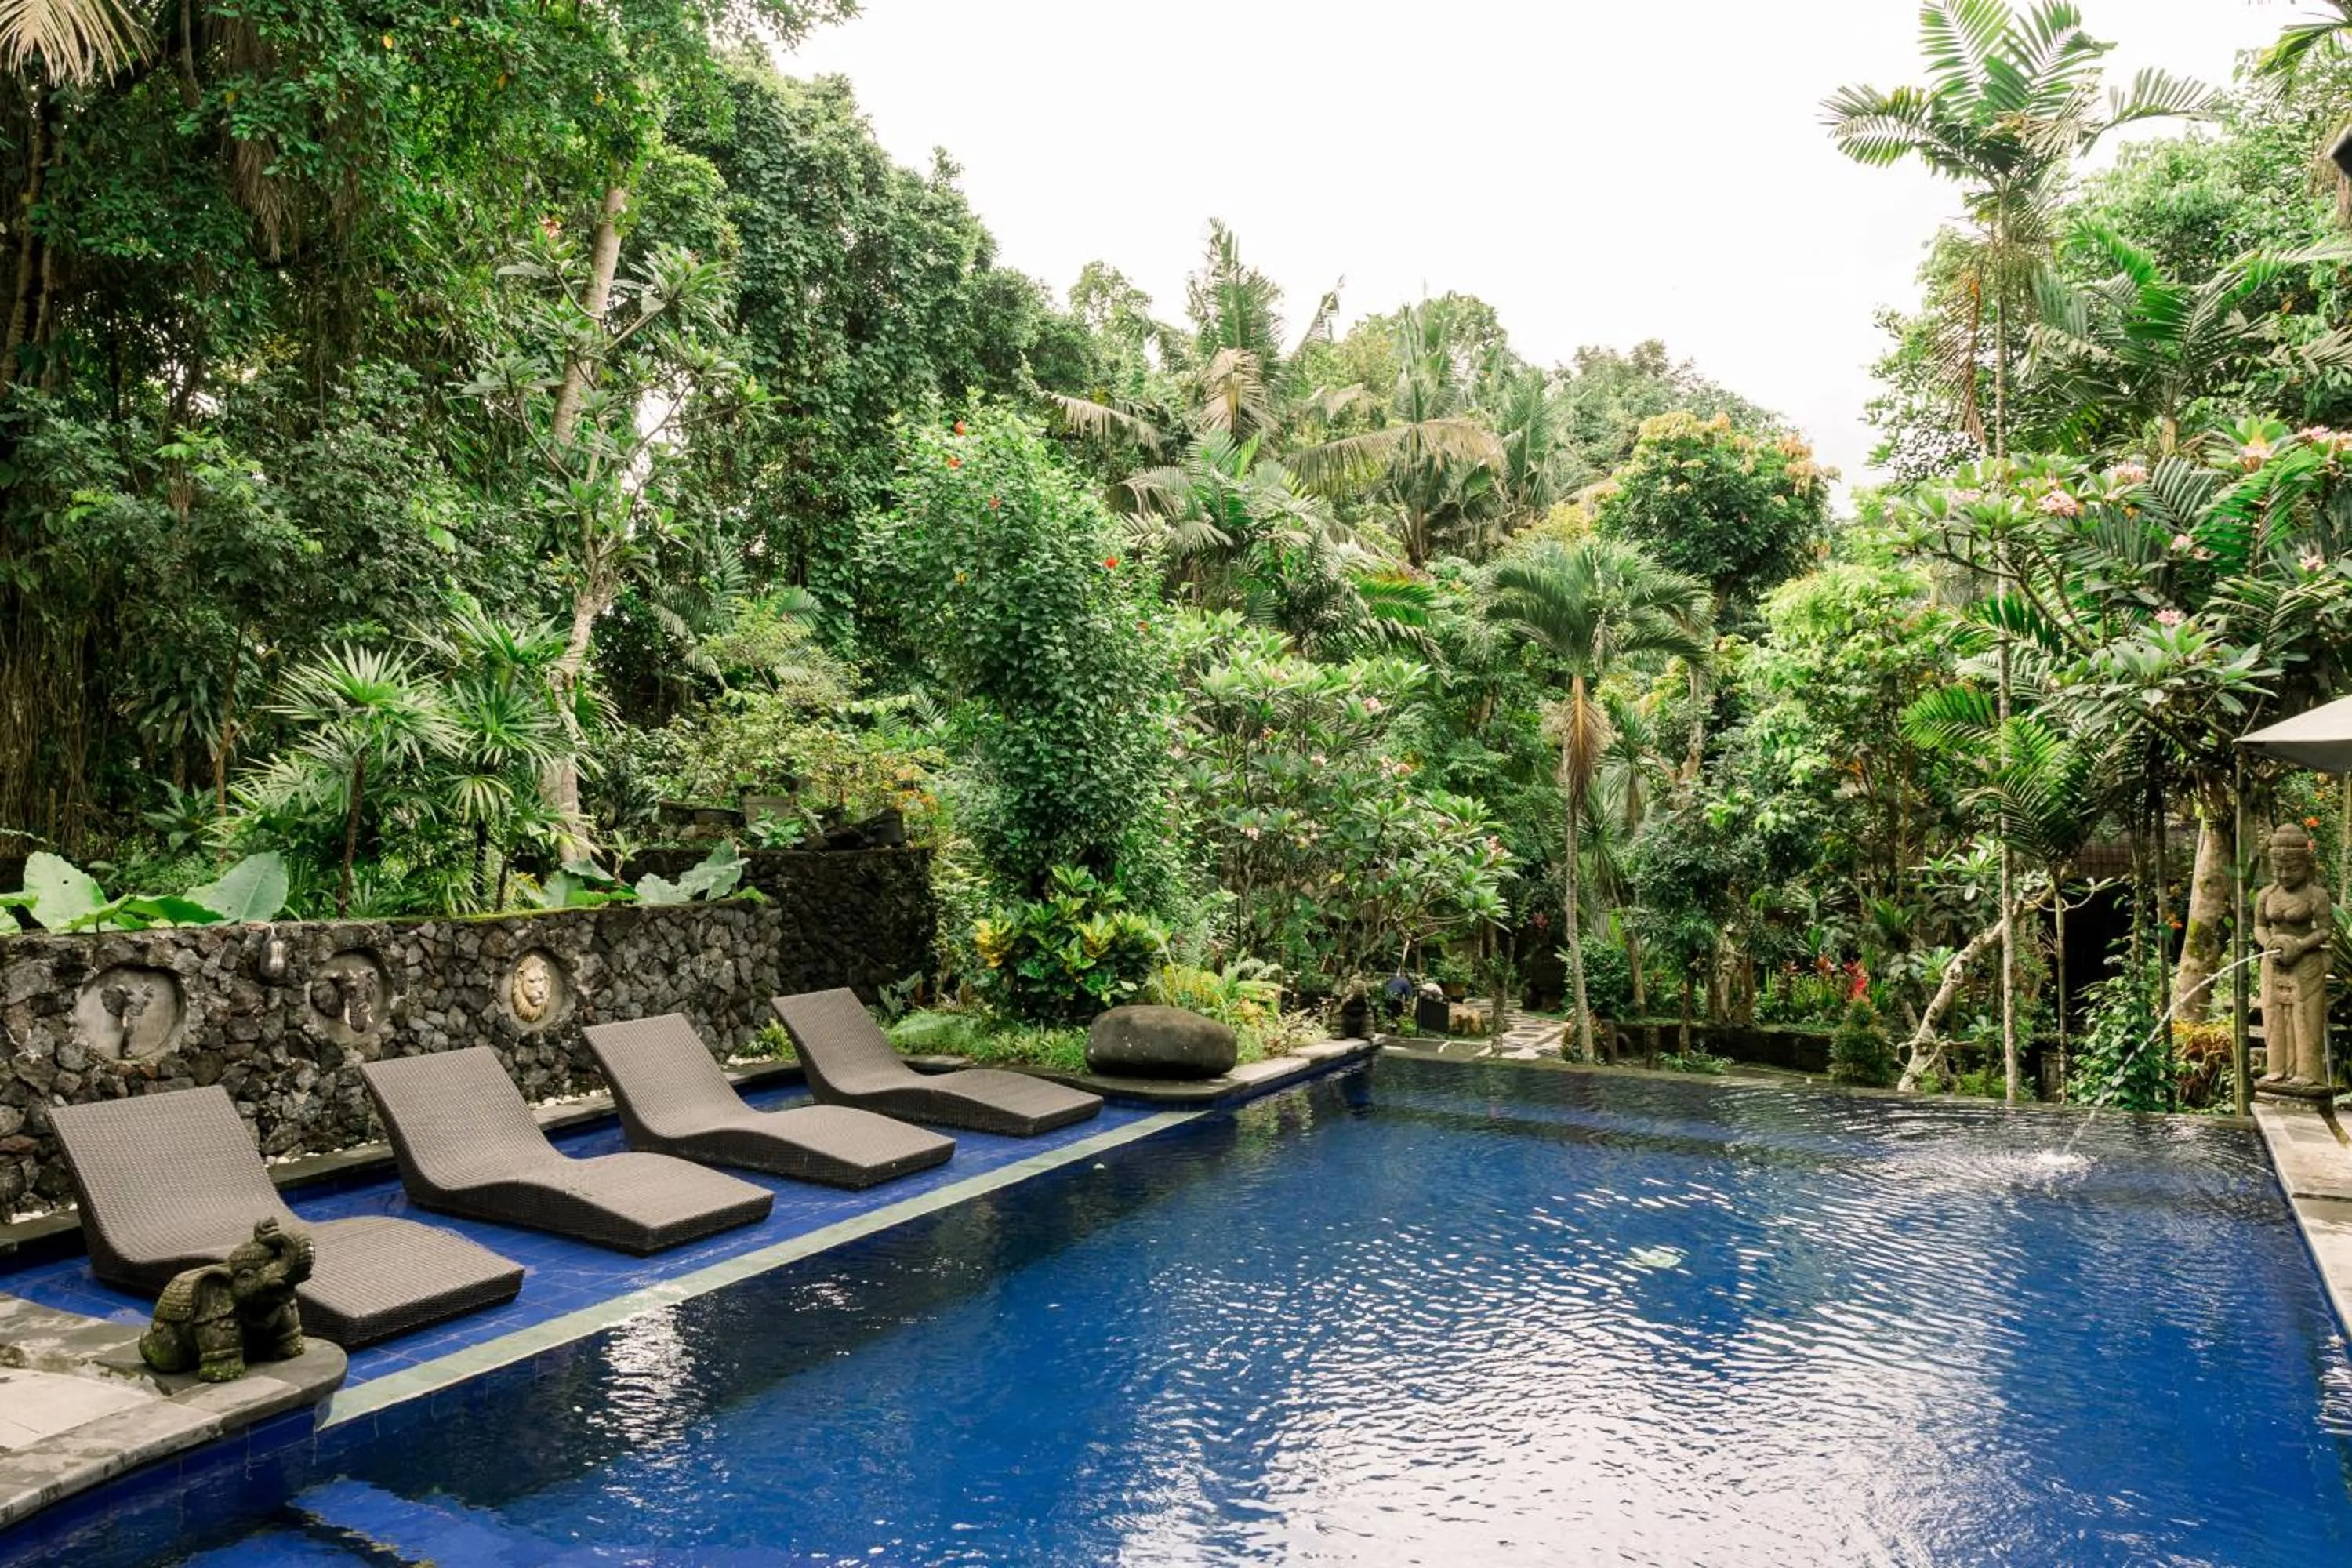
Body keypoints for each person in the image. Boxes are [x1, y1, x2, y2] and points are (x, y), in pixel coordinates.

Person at [2256, 822, 2333, 1089]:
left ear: (2307, 866)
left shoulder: (2317, 896)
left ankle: (2308, 1073)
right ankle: (2276, 1069)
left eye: (2292, 868)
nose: (2285, 874)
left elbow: (2324, 930)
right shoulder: (2266, 894)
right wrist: (2269, 945)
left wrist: (2300, 946)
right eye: (2279, 869)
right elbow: (2259, 926)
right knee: (2274, 1017)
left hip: (2306, 964)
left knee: (2305, 1019)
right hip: (2273, 963)